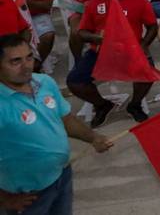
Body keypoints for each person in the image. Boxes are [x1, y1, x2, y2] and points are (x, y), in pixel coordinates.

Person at [0, 34, 113, 215]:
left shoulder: (44, 82)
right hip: (26, 196)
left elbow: (65, 119)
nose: (26, 66)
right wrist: (4, 198)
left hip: (62, 176)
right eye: (15, 61)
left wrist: (93, 137)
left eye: (29, 57)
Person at [67, 0, 158, 125]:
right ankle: (102, 105)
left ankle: (135, 105)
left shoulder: (139, 1)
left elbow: (152, 26)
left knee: (148, 72)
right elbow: (82, 32)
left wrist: (143, 45)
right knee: (74, 82)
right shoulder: (93, 3)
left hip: (131, 51)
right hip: (100, 52)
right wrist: (97, 38)